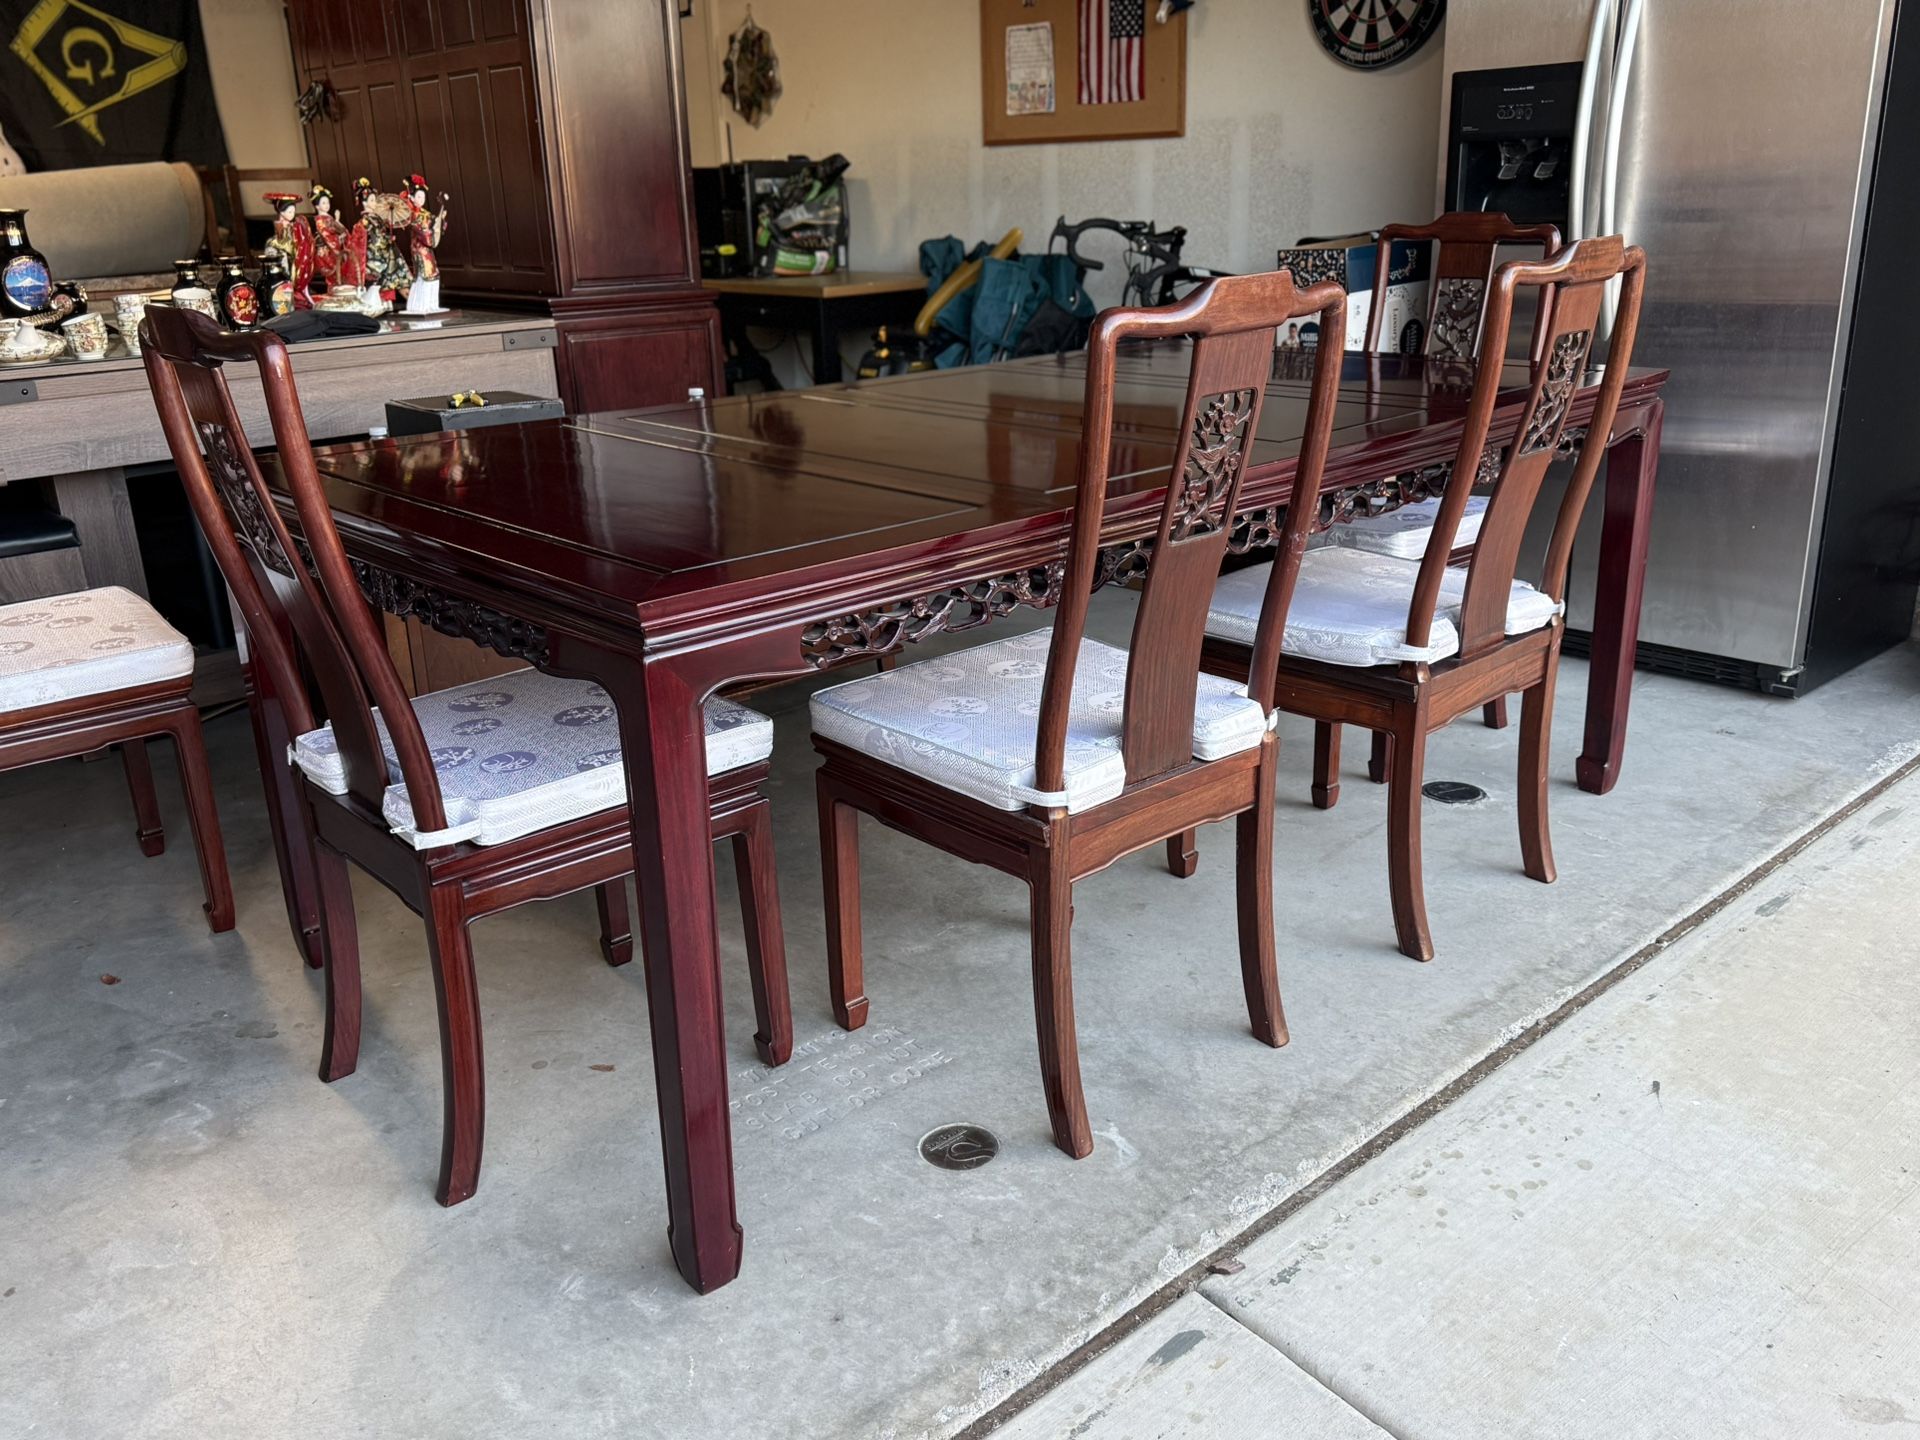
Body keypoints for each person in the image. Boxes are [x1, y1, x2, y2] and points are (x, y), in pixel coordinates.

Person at [400, 172, 450, 315]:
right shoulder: (412, 215)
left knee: (433, 275)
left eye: (423, 197)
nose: (421, 199)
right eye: (418, 197)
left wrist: (440, 220)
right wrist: (432, 232)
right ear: (411, 197)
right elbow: (423, 233)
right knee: (426, 275)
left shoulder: (425, 213)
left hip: (427, 250)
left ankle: (432, 305)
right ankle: (420, 306)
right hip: (419, 249)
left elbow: (435, 225)